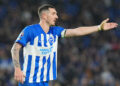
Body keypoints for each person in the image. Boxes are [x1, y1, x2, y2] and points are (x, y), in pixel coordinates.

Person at [11, 4, 118, 86]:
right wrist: (17, 69)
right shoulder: (30, 30)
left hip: (44, 81)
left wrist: (99, 27)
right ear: (44, 16)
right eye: (53, 14)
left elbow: (76, 31)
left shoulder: (55, 31)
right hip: (29, 80)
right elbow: (15, 48)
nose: (57, 16)